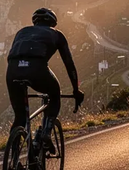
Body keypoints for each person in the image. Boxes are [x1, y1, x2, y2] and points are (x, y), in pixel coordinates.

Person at [6, 8, 84, 154]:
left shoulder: (21, 32)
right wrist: (75, 90)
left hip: (13, 70)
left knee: (20, 117)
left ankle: (13, 159)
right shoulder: (57, 34)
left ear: (35, 22)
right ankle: (46, 133)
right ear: (53, 23)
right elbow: (69, 64)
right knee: (55, 93)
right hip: (37, 69)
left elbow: (13, 54)